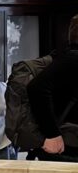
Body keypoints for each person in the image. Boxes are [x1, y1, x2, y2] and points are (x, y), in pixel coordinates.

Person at [28, 14, 78, 160]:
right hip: (67, 145)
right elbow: (36, 88)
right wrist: (52, 134)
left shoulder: (65, 56)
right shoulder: (72, 58)